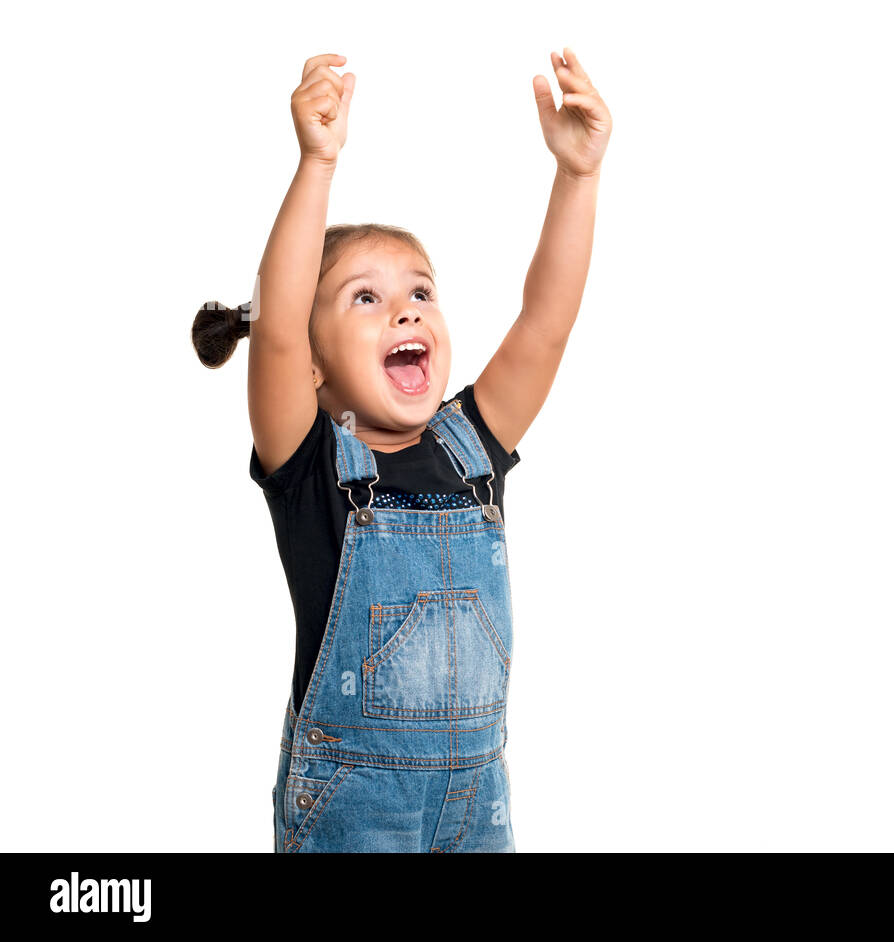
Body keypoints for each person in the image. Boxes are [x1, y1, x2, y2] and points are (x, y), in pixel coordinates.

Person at [191, 50, 611, 852]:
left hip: (480, 803)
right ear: (310, 367)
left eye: (420, 292)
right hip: (354, 810)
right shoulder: (312, 466)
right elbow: (277, 329)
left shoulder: (471, 447)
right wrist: (318, 162)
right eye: (366, 300)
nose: (406, 313)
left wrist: (578, 178)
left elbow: (546, 322)